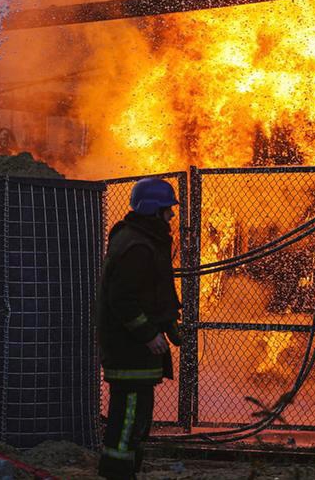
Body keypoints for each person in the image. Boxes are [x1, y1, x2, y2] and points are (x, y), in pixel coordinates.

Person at [97, 178, 182, 480]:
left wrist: (169, 325)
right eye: (167, 208)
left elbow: (153, 293)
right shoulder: (137, 246)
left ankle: (126, 469)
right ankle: (117, 473)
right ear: (152, 209)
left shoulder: (142, 239)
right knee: (129, 415)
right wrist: (149, 334)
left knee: (137, 415)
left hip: (133, 349)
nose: (171, 214)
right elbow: (122, 299)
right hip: (129, 348)